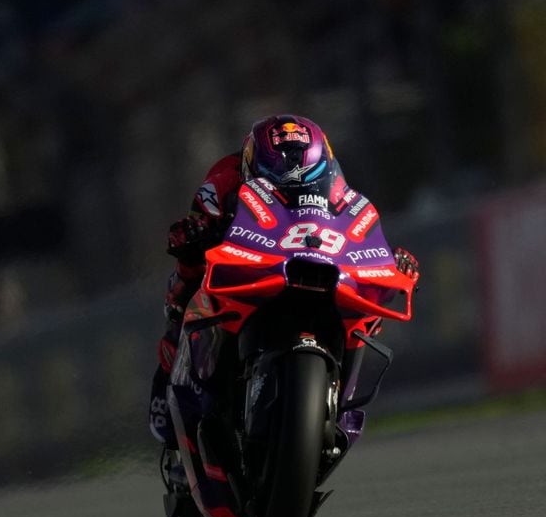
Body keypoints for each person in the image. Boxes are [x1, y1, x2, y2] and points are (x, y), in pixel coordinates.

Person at [148, 114, 420, 448]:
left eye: (302, 163)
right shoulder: (222, 179)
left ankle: (336, 402)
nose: (293, 170)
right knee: (188, 283)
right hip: (249, 260)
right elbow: (194, 227)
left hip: (309, 264)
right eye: (282, 162)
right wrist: (192, 237)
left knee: (366, 310)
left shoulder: (344, 194)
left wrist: (393, 265)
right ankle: (173, 375)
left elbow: (360, 235)